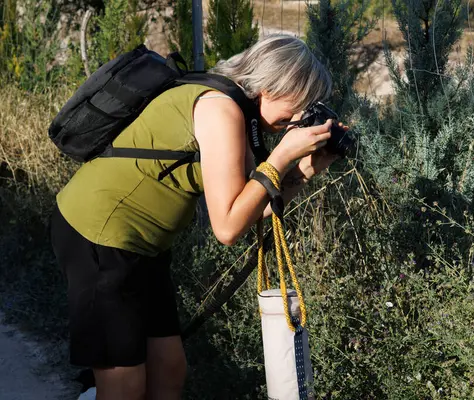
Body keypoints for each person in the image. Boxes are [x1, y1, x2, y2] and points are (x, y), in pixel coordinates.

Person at [50, 34, 345, 400]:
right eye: (299, 103)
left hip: (144, 247)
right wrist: (281, 157)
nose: (298, 118)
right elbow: (227, 228)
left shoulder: (237, 110)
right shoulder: (221, 110)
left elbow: (250, 207)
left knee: (169, 371)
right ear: (271, 86)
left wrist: (303, 172)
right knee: (124, 383)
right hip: (99, 233)